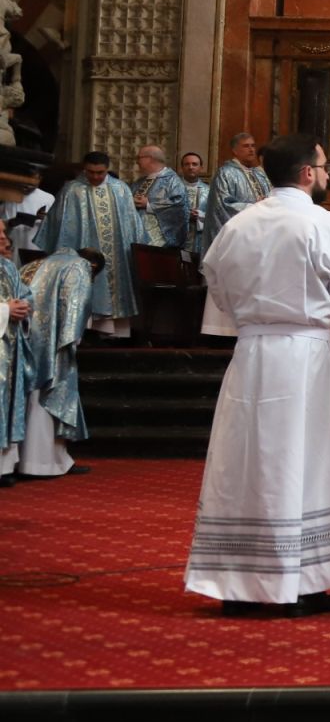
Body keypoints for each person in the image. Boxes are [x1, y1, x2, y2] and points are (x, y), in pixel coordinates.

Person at [183, 134, 330, 618]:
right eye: (325, 167)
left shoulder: (238, 226)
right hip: (305, 353)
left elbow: (218, 291)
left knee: (245, 462)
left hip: (250, 353)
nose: (327, 175)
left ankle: (239, 581)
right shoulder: (322, 223)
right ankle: (298, 580)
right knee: (305, 460)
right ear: (308, 173)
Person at [15, 246, 103, 479]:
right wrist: (72, 340)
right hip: (53, 345)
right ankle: (44, 463)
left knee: (26, 399)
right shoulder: (79, 267)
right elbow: (76, 306)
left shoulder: (32, 265)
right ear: (93, 267)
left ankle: (20, 460)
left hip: (22, 341)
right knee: (49, 399)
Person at [37, 151, 139, 337]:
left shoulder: (121, 189)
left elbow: (132, 224)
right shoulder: (71, 190)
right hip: (83, 252)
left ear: (107, 169)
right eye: (90, 172)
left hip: (116, 257)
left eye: (100, 172)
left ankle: (113, 335)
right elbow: (58, 226)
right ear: (84, 169)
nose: (95, 176)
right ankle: (86, 332)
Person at [0, 226, 33, 486]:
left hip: (10, 346)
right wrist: (5, 310)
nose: (4, 238)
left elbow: (24, 293)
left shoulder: (8, 267)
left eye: (4, 232)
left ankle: (4, 466)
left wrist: (24, 306)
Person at [206, 133, 269, 249]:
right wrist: (253, 206)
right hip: (238, 236)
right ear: (234, 150)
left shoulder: (259, 174)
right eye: (246, 146)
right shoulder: (225, 173)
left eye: (253, 146)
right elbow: (222, 205)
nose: (251, 150)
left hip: (260, 232)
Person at [131, 144, 189, 248]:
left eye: (139, 158)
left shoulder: (172, 181)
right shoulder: (139, 182)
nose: (137, 162)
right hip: (137, 238)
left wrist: (149, 205)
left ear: (150, 159)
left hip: (160, 243)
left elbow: (179, 207)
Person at [179, 152, 211, 258]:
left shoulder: (209, 191)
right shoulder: (173, 189)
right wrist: (185, 215)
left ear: (201, 167)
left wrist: (200, 215)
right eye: (187, 164)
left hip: (199, 241)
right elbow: (164, 211)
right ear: (182, 168)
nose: (190, 167)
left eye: (194, 164)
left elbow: (216, 215)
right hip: (178, 239)